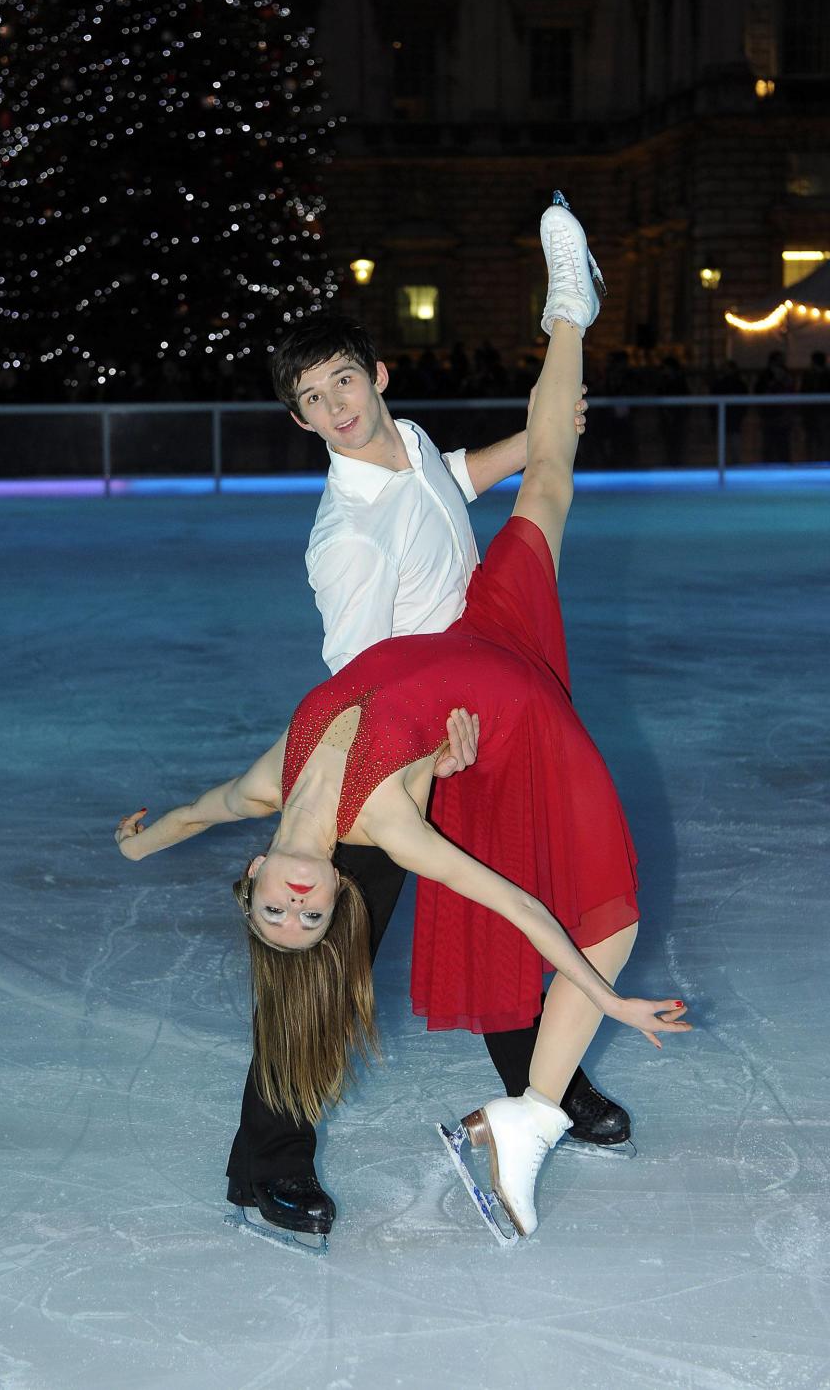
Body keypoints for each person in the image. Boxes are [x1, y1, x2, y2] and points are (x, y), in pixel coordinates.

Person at [116, 196, 692, 1239]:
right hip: (406, 745)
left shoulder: (410, 444)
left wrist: (537, 436)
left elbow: (452, 486)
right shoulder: (343, 537)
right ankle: (269, 1163)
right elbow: (360, 671)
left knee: (508, 887)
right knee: (325, 971)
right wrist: (427, 737)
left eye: (344, 382)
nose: (336, 408)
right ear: (299, 423)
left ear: (377, 377)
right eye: (313, 402)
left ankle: (543, 1089)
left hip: (470, 671)